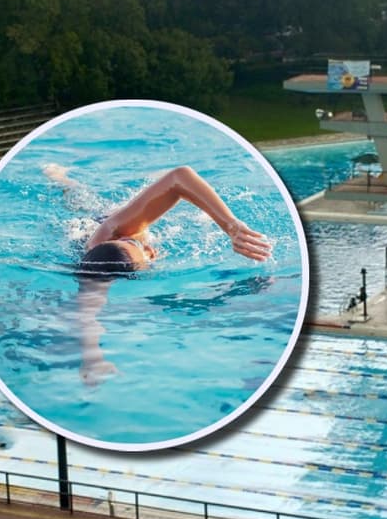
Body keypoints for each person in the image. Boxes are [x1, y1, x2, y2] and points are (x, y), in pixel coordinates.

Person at [44, 163, 273, 385]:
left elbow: (180, 175)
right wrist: (93, 359)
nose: (146, 246)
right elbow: (86, 314)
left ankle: (60, 178)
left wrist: (231, 225)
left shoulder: (117, 228)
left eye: (131, 240)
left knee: (81, 200)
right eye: (139, 245)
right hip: (90, 238)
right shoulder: (96, 270)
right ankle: (61, 179)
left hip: (107, 218)